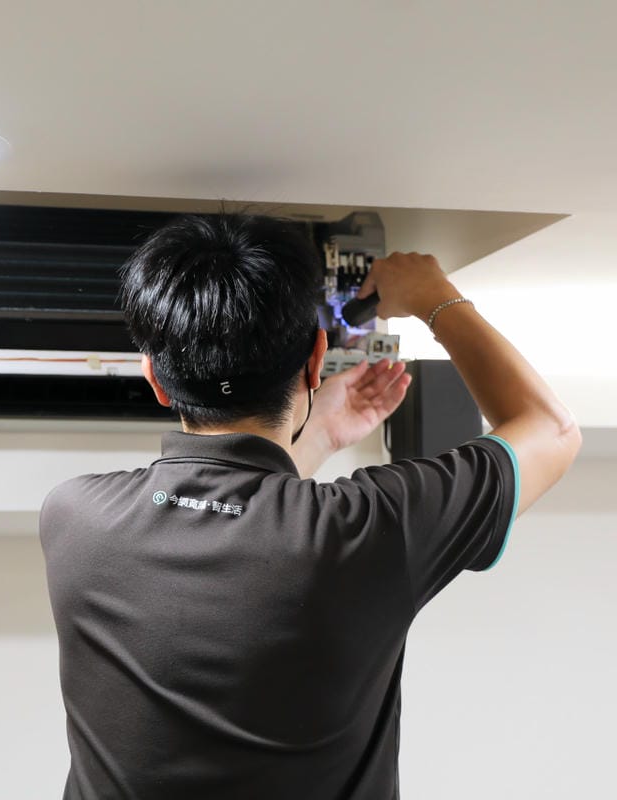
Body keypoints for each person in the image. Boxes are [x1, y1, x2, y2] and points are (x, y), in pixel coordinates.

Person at [39, 213, 581, 800]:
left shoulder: (74, 517)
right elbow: (551, 430)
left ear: (156, 379)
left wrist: (318, 436)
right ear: (316, 359)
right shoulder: (368, 529)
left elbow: (234, 518)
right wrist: (433, 297)